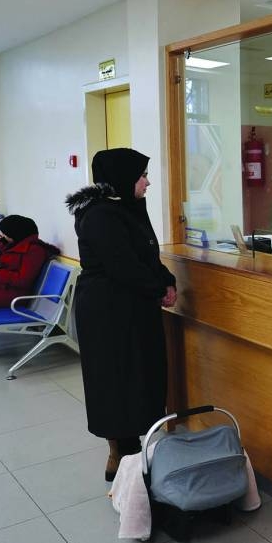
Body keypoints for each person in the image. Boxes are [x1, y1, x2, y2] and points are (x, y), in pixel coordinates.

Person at [66, 148, 177, 481]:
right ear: (124, 177)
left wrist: (166, 279)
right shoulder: (100, 215)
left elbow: (145, 253)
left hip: (130, 307)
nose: (148, 181)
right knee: (115, 382)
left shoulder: (124, 207)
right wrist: (158, 288)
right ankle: (121, 456)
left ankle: (133, 454)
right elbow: (123, 266)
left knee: (137, 378)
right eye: (142, 175)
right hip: (108, 313)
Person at [0, 215, 60, 363]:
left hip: (14, 295)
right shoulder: (16, 245)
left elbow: (23, 280)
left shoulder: (34, 251)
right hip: (0, 289)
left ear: (17, 232)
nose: (3, 236)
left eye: (6, 233)